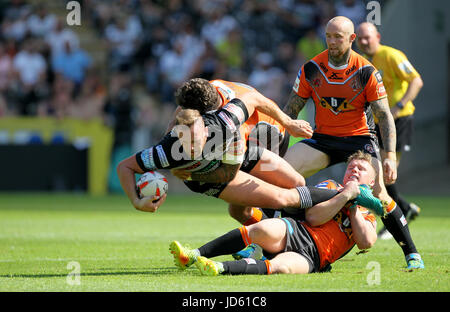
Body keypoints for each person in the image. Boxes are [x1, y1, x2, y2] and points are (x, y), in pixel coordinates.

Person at [281, 16, 423, 269]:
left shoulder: (366, 71)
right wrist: (276, 144)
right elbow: (290, 111)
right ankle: (266, 240)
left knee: (381, 192)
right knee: (279, 175)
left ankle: (412, 254)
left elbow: (383, 116)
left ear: (351, 39)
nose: (332, 42)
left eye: (338, 37)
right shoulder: (312, 68)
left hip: (359, 140)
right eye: (329, 36)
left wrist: (389, 155)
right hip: (323, 139)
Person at [117, 86, 345, 224]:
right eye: (187, 144)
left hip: (241, 155)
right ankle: (345, 198)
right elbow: (124, 167)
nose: (193, 148)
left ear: (206, 128)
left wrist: (289, 122)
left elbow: (253, 98)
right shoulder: (167, 153)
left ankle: (277, 234)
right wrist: (137, 201)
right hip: (210, 178)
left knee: (296, 182)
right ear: (177, 135)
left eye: (197, 140)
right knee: (280, 199)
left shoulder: (222, 121)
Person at [169, 151, 379, 275]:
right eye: (351, 167)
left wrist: (352, 206)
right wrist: (344, 196)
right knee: (260, 229)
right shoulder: (331, 187)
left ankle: (220, 267)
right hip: (297, 231)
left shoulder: (368, 214)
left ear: (371, 181)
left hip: (315, 257)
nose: (354, 170)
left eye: (361, 169)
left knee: (281, 268)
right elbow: (313, 217)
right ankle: (193, 255)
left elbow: (366, 242)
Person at [168, 78, 314, 224]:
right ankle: (269, 239)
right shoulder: (203, 92)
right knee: (239, 212)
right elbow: (179, 117)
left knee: (277, 195)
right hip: (252, 136)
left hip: (270, 138)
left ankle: (295, 236)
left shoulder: (233, 122)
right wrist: (172, 159)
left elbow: (231, 171)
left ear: (208, 114)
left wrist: (191, 175)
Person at [356, 22, 423, 239]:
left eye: (368, 37)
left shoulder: (391, 55)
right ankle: (404, 209)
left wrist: (399, 106)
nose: (364, 42)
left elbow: (416, 81)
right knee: (380, 174)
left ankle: (398, 216)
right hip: (378, 124)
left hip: (400, 120)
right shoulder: (365, 62)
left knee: (385, 174)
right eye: (360, 38)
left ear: (378, 36)